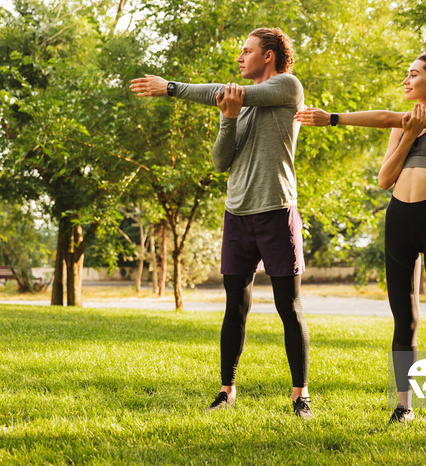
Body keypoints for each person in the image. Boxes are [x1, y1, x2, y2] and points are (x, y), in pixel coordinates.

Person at [129, 27, 312, 419]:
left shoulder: (287, 87)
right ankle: (227, 389)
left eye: (247, 51)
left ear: (269, 55)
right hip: (237, 214)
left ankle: (300, 395)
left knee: (289, 307)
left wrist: (172, 88)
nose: (239, 58)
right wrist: (227, 119)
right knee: (235, 307)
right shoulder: (238, 104)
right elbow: (220, 162)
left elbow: (228, 91)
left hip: (276, 210)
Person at [295, 52, 426, 430]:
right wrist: (407, 135)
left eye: (413, 75)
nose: (406, 81)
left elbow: (389, 116)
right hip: (399, 221)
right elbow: (384, 179)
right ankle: (404, 407)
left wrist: (334, 118)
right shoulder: (401, 126)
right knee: (403, 321)